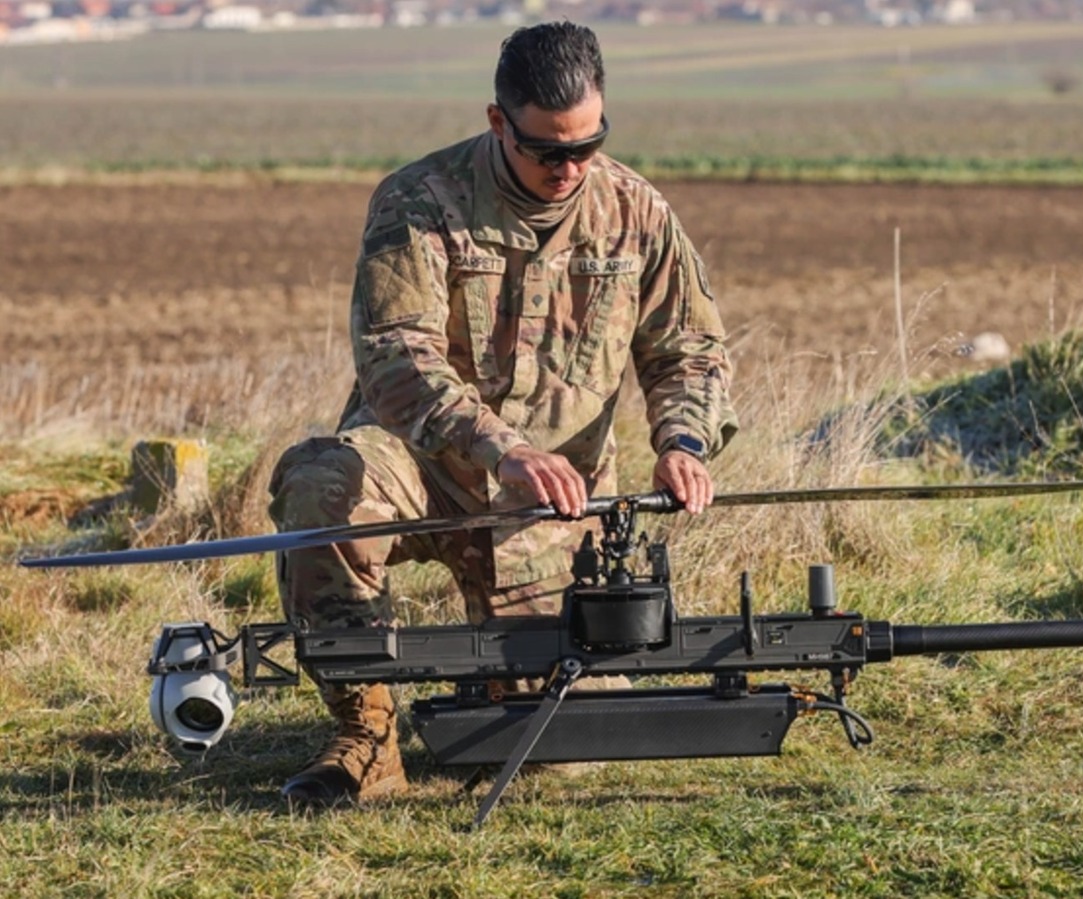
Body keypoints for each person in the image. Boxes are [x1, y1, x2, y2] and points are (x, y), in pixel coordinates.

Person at [266, 22, 738, 805]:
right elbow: (394, 355)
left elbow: (689, 348)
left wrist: (682, 440)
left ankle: (491, 697)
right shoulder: (417, 201)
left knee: (555, 745)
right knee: (320, 486)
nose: (570, 168)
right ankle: (367, 739)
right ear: (498, 122)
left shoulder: (638, 213)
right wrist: (501, 446)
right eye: (547, 150)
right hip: (423, 466)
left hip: (551, 508)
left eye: (588, 146)